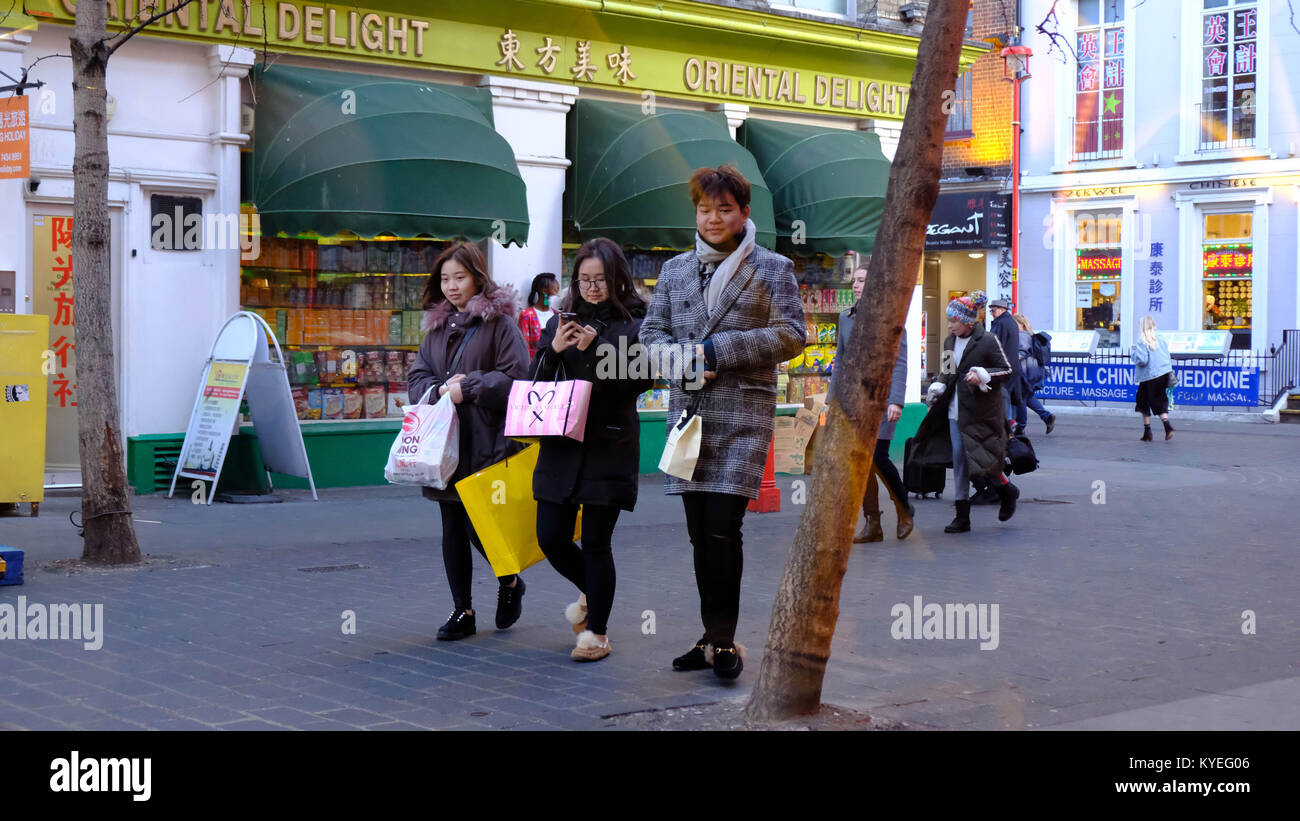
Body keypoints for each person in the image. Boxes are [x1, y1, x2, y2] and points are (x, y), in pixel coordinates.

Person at [639, 164, 805, 680]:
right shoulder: (675, 270)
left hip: (740, 417)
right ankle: (710, 635)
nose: (713, 218)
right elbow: (650, 335)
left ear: (743, 213)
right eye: (705, 209)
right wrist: (683, 358)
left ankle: (725, 639)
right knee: (697, 532)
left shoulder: (773, 268)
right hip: (688, 418)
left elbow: (793, 335)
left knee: (722, 529)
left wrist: (719, 349)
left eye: (724, 209)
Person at [531, 238, 654, 663]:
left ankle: (597, 633)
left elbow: (641, 379)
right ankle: (594, 590)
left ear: (618, 278)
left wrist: (597, 350)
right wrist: (554, 351)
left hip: (609, 443)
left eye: (601, 280)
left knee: (598, 542)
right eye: (584, 280)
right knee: (550, 536)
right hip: (561, 442)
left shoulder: (638, 320)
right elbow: (536, 382)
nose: (592, 288)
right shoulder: (561, 319)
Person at [407, 242, 531, 641]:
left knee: (482, 525)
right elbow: (417, 377)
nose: (452, 286)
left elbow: (518, 380)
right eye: (445, 278)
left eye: (460, 277)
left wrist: (472, 387)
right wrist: (440, 389)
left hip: (486, 442)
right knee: (451, 525)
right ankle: (463, 609)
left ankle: (510, 581)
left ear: (478, 277)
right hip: (444, 444)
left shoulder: (500, 325)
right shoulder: (438, 328)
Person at [909, 291, 1020, 533]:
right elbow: (948, 370)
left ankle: (1006, 490)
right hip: (953, 410)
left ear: (968, 322)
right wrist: (938, 384)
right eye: (949, 321)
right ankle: (962, 515)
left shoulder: (988, 340)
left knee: (985, 460)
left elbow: (1007, 370)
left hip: (982, 411)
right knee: (960, 459)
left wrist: (983, 373)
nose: (950, 326)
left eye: (954, 321)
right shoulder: (949, 342)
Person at [832, 264, 914, 543]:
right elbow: (840, 363)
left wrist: (896, 401)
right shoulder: (845, 318)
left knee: (877, 457)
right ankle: (872, 523)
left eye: (862, 280)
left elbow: (900, 362)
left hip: (882, 401)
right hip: (855, 402)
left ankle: (904, 509)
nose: (856, 285)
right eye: (854, 281)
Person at [1132, 314, 1175, 441]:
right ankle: (1166, 426)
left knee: (1143, 403)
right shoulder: (1161, 338)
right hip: (1163, 374)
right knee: (1160, 401)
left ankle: (1148, 431)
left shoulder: (1142, 340)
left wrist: (1133, 354)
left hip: (1148, 376)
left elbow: (1142, 360)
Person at [1013, 313, 1056, 436]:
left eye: (1014, 323)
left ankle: (1020, 426)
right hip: (1031, 372)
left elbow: (1022, 352)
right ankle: (1047, 416)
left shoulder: (1021, 336)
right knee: (1028, 398)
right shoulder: (1028, 335)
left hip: (1024, 373)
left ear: (1021, 324)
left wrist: (1012, 359)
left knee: (1020, 398)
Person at [988, 298, 1021, 433]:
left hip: (1004, 366)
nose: (991, 313)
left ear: (1002, 310)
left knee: (1002, 395)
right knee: (1008, 396)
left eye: (993, 310)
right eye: (991, 310)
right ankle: (1011, 423)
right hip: (1012, 365)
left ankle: (1008, 423)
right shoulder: (1010, 322)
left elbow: (995, 345)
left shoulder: (1001, 324)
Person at [518, 272, 559, 360]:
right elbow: (524, 347)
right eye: (553, 282)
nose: (557, 285)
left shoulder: (557, 315)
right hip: (535, 366)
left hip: (555, 366)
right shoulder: (527, 315)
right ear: (544, 290)